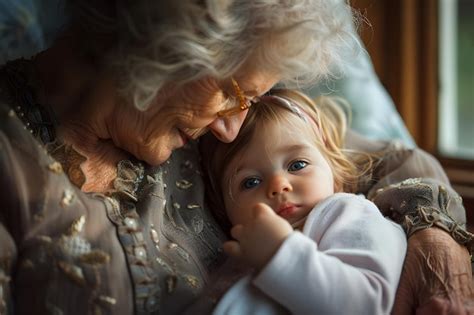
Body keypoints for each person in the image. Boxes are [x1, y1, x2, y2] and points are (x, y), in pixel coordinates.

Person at [0, 0, 472, 314]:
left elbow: (388, 160)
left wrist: (435, 239)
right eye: (232, 92)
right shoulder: (12, 164)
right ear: (156, 47)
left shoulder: (209, 129)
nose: (230, 127)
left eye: (248, 99)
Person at [200, 89, 407, 314]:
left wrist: (280, 254)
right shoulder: (233, 252)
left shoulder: (349, 213)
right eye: (250, 182)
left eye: (297, 165)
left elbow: (366, 305)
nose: (278, 185)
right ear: (223, 209)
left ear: (334, 171)